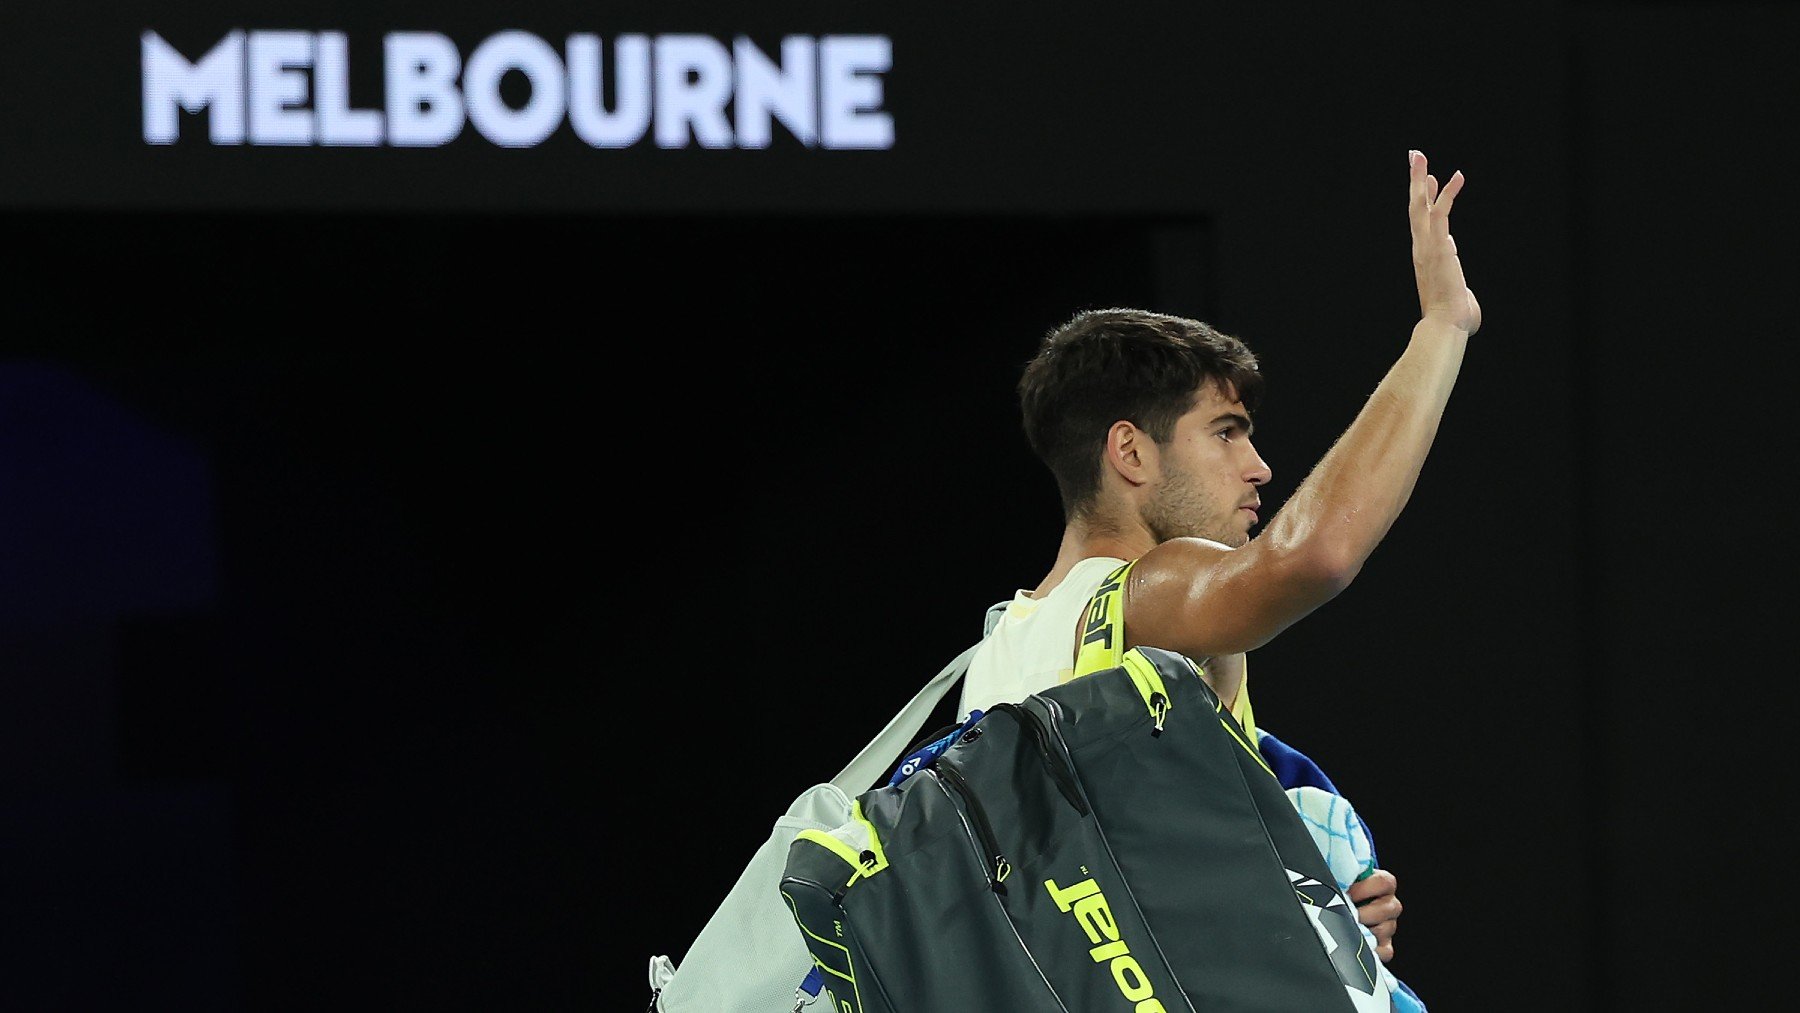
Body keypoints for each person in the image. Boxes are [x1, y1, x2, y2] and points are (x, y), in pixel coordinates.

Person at [958, 149, 1478, 993]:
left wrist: (1315, 907)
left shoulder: (997, 654)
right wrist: (1441, 330)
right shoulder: (1145, 595)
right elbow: (1314, 553)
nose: (1260, 466)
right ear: (1129, 451)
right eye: (1226, 432)